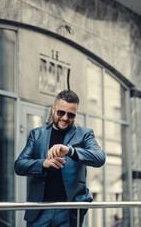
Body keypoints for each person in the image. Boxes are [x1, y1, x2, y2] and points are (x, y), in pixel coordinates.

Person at [14, 90, 106, 227]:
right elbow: (19, 165)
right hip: (40, 209)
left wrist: (70, 151)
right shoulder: (36, 134)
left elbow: (100, 158)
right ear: (53, 108)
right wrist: (43, 164)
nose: (65, 118)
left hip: (70, 211)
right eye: (61, 112)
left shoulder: (85, 134)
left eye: (71, 115)